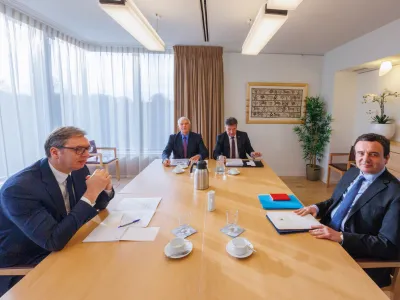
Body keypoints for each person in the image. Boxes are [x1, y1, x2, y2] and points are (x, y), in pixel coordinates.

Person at [0, 126, 114, 296]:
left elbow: (98, 205)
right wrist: (91, 193)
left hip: (68, 241)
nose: (86, 154)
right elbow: (53, 241)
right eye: (78, 149)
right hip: (31, 258)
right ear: (55, 152)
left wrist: (104, 189)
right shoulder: (18, 189)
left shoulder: (77, 169)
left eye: (87, 148)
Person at [295, 133, 400, 288]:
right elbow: (335, 202)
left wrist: (341, 237)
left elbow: (388, 245)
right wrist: (315, 208)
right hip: (325, 237)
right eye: (361, 153)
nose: (365, 159)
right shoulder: (353, 172)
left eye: (373, 154)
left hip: (354, 255)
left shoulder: (395, 192)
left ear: (386, 158)